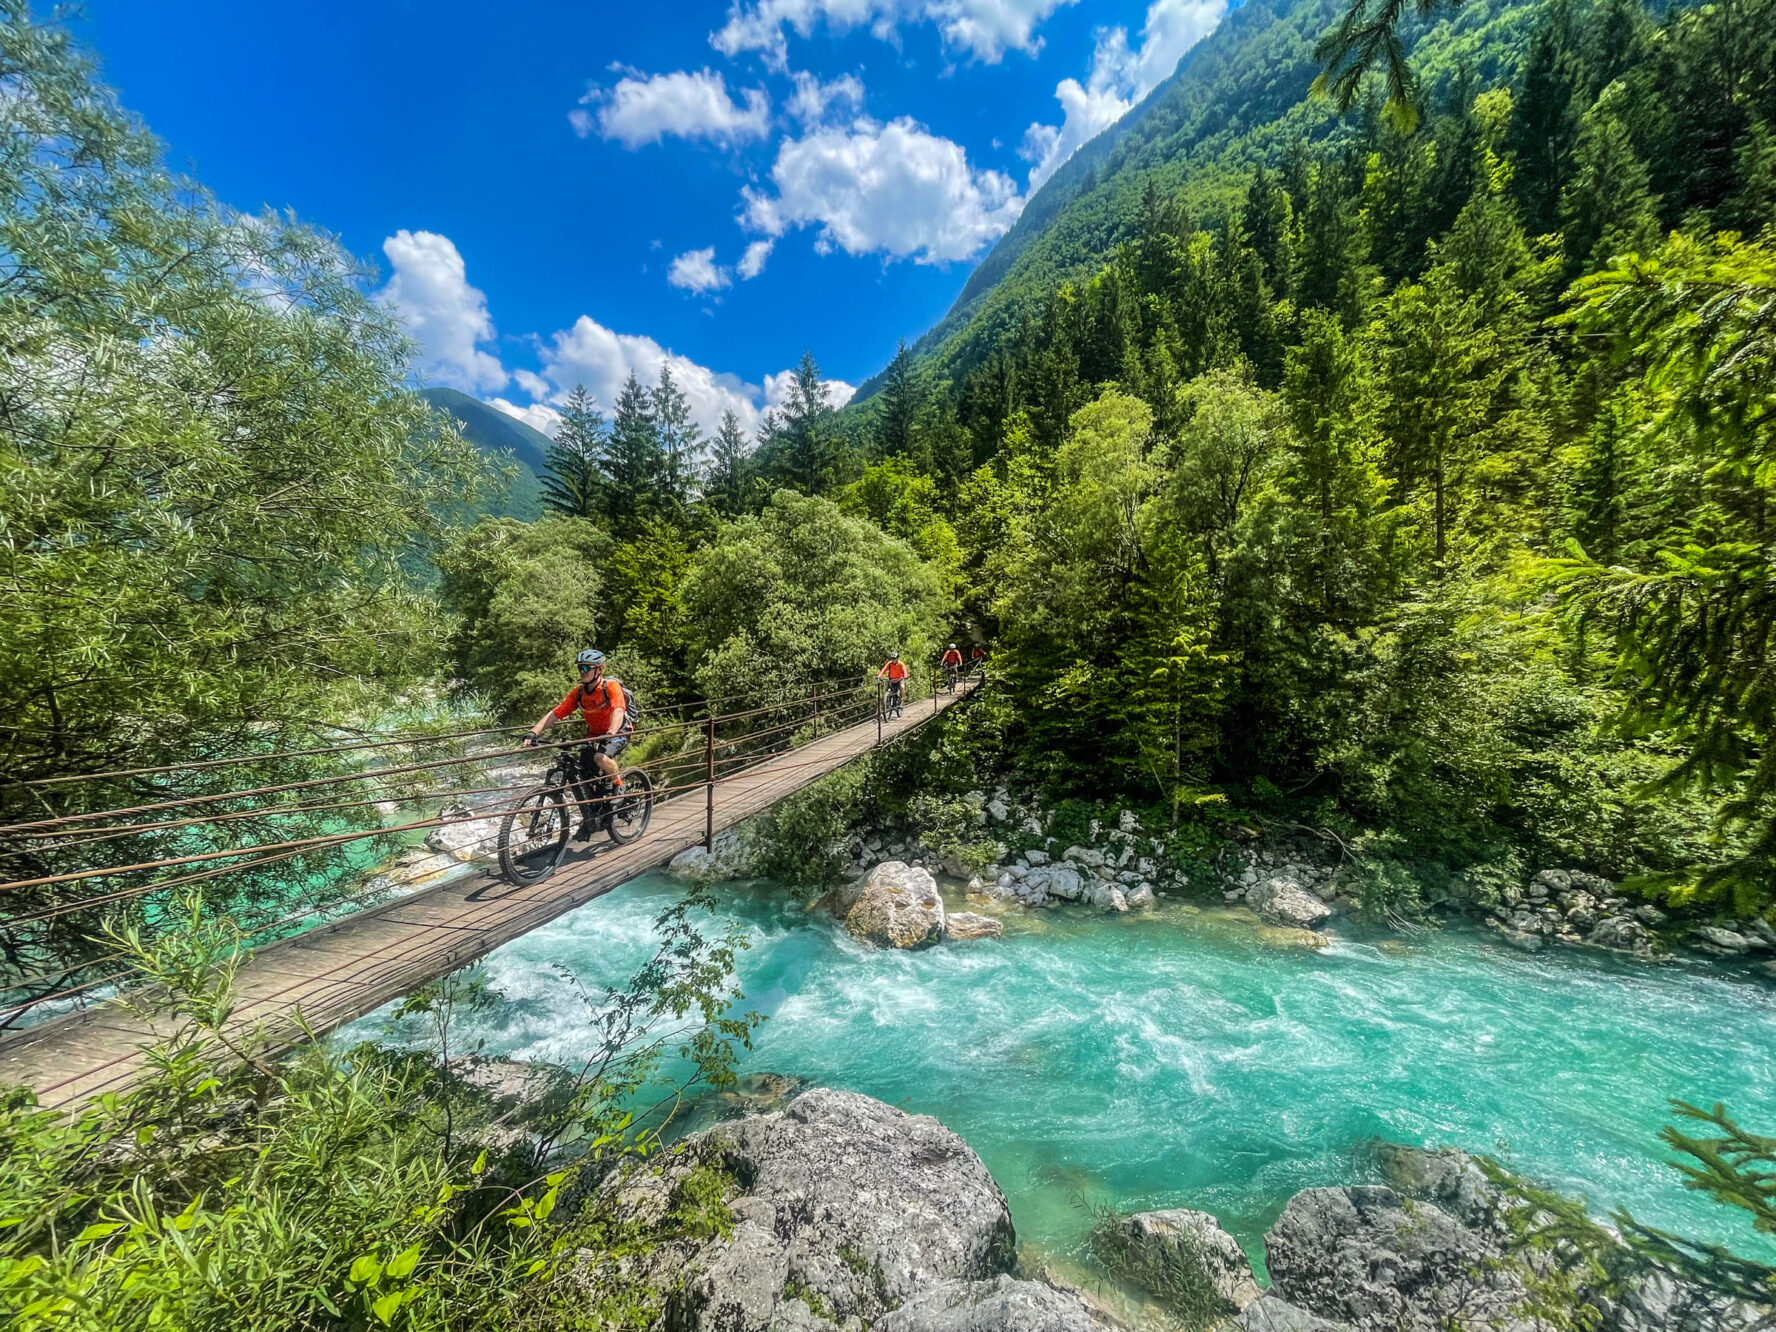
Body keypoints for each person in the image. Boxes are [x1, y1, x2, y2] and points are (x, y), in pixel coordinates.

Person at [524, 648, 630, 840]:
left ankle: (619, 784)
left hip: (618, 731)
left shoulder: (611, 687)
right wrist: (533, 732)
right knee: (584, 774)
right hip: (594, 735)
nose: (582, 671)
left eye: (587, 667)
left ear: (599, 669)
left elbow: (618, 711)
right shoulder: (579, 693)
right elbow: (556, 714)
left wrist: (610, 733)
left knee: (601, 757)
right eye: (580, 667)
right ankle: (592, 818)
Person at [877, 651, 909, 715]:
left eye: (894, 658)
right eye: (892, 658)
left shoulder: (901, 664)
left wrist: (905, 676)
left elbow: (905, 670)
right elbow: (884, 669)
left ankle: (901, 701)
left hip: (900, 679)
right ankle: (889, 704)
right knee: (889, 690)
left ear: (897, 658)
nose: (893, 660)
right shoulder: (889, 664)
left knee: (902, 687)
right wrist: (879, 676)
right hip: (892, 679)